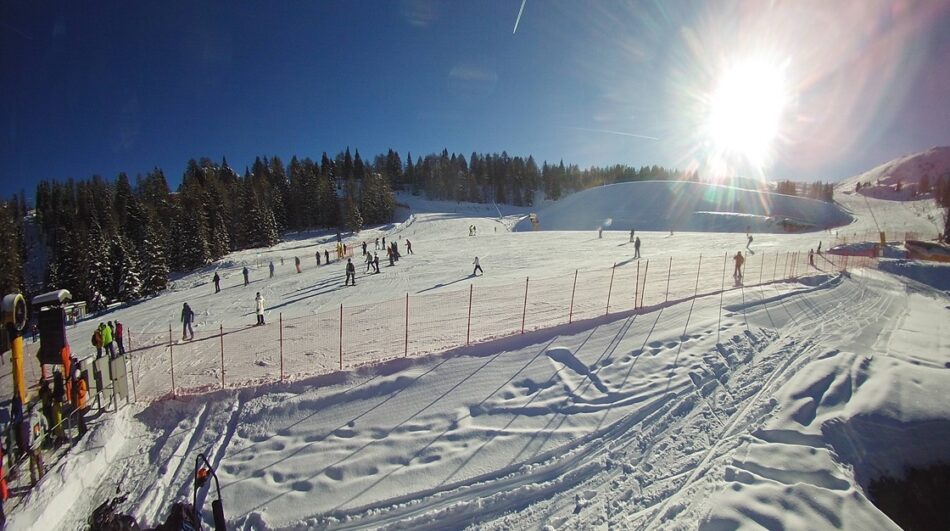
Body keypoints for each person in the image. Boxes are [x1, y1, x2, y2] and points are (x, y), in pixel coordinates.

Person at [26, 402, 47, 485]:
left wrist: (29, 443)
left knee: (32, 464)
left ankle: (33, 480)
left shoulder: (31, 420)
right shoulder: (38, 414)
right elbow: (44, 419)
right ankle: (41, 476)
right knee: (39, 460)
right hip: (39, 441)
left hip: (33, 445)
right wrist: (46, 426)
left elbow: (30, 432)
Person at [72, 370, 88, 438]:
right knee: (79, 419)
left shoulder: (82, 382)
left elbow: (84, 391)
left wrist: (78, 391)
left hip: (81, 403)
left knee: (81, 419)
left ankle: (84, 430)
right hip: (77, 403)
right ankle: (81, 431)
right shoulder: (76, 383)